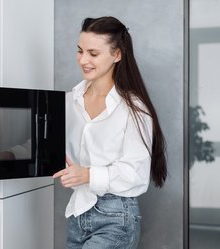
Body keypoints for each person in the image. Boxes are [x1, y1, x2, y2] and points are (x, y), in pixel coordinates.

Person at [52, 16, 167, 249]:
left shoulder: (134, 109)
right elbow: (44, 144)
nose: (83, 60)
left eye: (93, 54)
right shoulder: (67, 102)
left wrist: (88, 175)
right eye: (80, 51)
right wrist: (6, 156)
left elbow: (135, 174)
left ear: (117, 55)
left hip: (117, 218)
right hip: (77, 213)